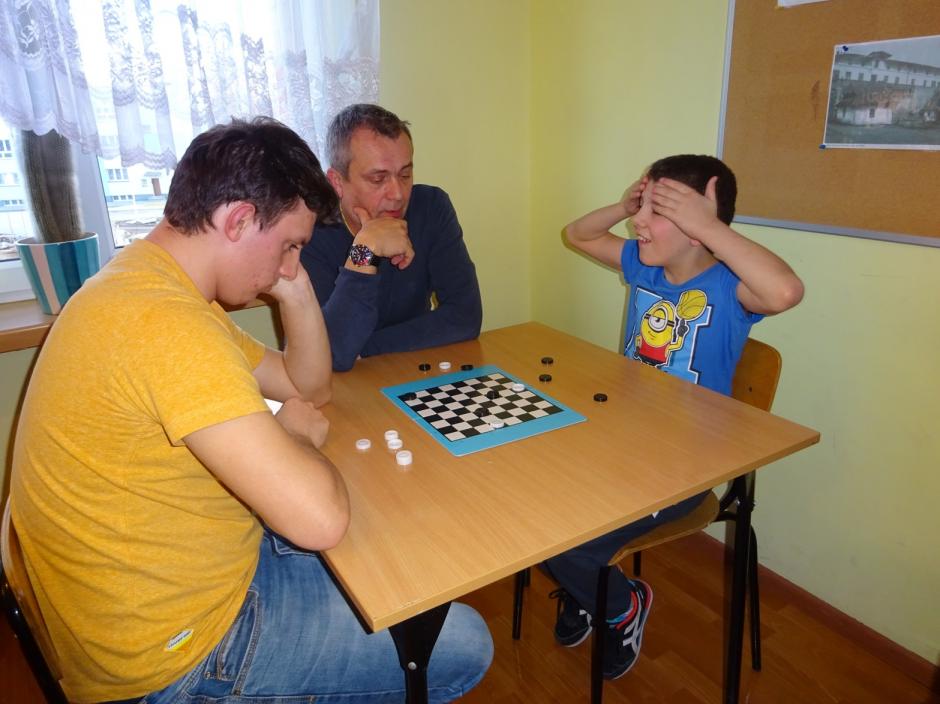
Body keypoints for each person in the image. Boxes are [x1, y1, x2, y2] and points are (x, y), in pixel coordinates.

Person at [9, 117, 492, 704]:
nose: (290, 264)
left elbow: (306, 385)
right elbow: (319, 518)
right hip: (173, 656)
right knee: (462, 643)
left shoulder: (150, 286)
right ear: (238, 220)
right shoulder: (165, 326)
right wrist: (292, 437)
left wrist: (295, 289)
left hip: (172, 574)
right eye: (290, 246)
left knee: (397, 555)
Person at [547, 154, 804, 681]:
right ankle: (585, 586)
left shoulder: (730, 288)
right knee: (534, 494)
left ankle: (619, 605)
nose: (638, 223)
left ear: (696, 226)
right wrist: (625, 205)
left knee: (562, 540)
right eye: (642, 207)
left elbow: (785, 291)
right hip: (620, 442)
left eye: (656, 211)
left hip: (684, 467)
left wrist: (710, 227)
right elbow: (578, 233)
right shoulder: (644, 265)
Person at [301, 104, 482, 371]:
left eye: (405, 175)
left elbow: (465, 317)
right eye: (378, 179)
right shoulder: (308, 231)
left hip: (411, 369)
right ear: (337, 182)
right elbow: (332, 354)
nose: (397, 194)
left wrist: (364, 348)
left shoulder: (431, 207)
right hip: (341, 387)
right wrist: (365, 250)